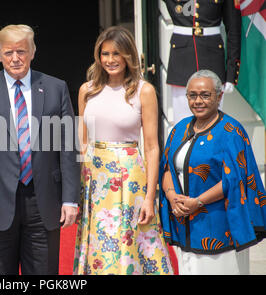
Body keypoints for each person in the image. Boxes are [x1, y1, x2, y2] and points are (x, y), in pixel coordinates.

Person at [0, 24, 80, 275]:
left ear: (33, 52)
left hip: (43, 201)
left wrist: (70, 198)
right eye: (8, 52)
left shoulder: (56, 88)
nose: (15, 58)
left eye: (21, 51)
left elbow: (68, 148)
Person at [73, 26, 172, 275]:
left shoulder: (143, 91)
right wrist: (76, 191)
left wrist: (150, 197)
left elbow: (151, 146)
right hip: (94, 179)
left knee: (130, 244)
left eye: (117, 54)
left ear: (128, 55)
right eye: (105, 54)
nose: (110, 60)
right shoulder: (87, 90)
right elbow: (81, 144)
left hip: (130, 180)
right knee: (100, 247)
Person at [159, 69, 266, 275]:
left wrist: (197, 202)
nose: (198, 101)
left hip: (219, 226)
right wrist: (172, 198)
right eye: (192, 95)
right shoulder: (179, 129)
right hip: (185, 226)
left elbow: (233, 179)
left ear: (219, 96)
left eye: (205, 95)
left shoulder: (230, 131)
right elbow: (166, 168)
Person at [162, 0, 241, 123]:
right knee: (183, 124)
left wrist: (232, 72)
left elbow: (234, 29)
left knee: (213, 124)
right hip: (182, 61)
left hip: (212, 60)